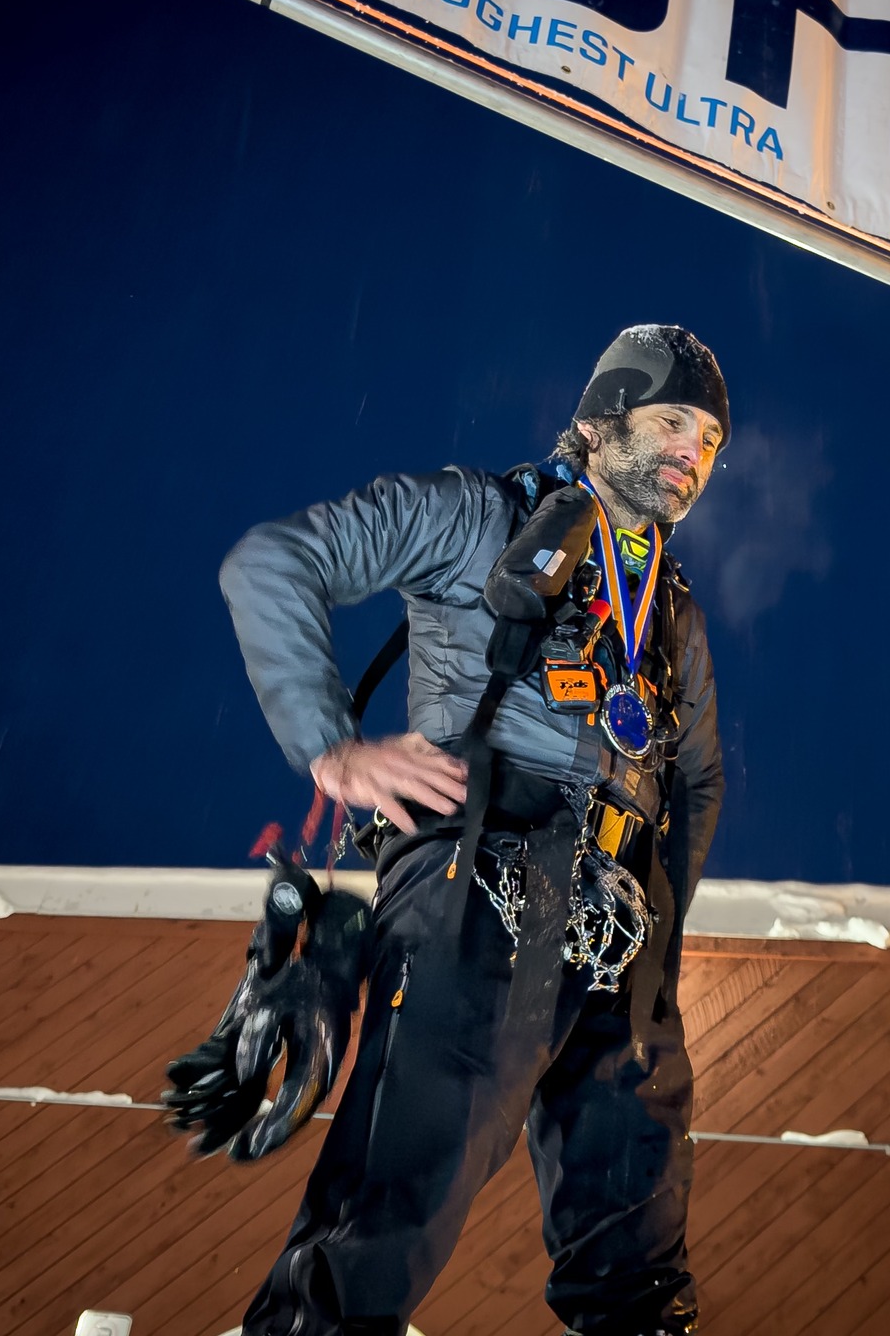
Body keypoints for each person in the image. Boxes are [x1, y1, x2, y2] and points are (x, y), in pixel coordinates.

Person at [197, 326, 729, 1336]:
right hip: (484, 874)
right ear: (597, 421)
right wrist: (331, 746)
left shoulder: (671, 610)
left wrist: (657, 936)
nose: (690, 453)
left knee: (638, 1223)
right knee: (399, 1198)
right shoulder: (473, 514)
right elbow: (270, 563)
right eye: (671, 421)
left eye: (709, 441)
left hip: (616, 926)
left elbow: (695, 780)